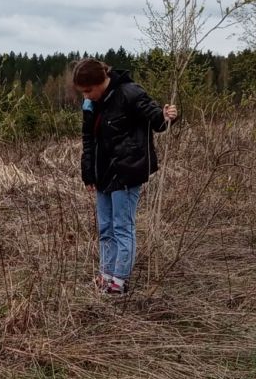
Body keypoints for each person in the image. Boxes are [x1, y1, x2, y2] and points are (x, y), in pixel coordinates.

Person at [74, 57, 178, 295]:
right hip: (102, 176)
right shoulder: (90, 104)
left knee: (122, 227)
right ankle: (106, 275)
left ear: (102, 81)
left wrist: (167, 115)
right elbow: (88, 141)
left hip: (126, 173)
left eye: (89, 90)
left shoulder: (130, 93)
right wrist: (88, 174)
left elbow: (158, 121)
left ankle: (118, 282)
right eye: (83, 92)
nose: (86, 96)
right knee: (105, 228)